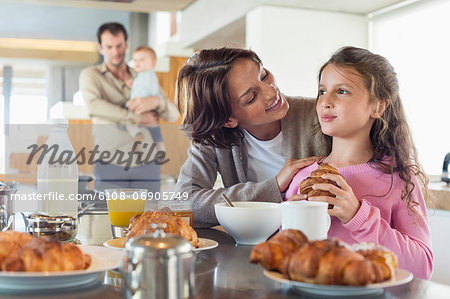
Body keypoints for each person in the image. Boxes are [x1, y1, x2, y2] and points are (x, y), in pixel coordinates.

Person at [285, 46, 433, 279]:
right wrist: (290, 224)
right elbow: (284, 263)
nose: (326, 101)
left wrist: (357, 215)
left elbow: (422, 268)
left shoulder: (398, 178)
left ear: (377, 106)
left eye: (342, 91)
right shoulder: (301, 177)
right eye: (322, 91)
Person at [174, 48, 330, 228]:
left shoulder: (320, 115)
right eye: (252, 97)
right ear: (229, 120)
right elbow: (184, 203)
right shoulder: (214, 138)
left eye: (263, 75)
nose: (271, 92)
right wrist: (274, 187)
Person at [79, 22, 179, 192]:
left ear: (126, 45)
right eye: (109, 46)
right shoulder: (91, 75)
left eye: (119, 46)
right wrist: (137, 117)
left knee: (150, 216)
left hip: (148, 163)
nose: (115, 52)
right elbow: (94, 106)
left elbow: (173, 115)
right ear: (100, 48)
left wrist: (156, 102)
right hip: (110, 162)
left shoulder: (143, 76)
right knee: (108, 217)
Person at [126, 46, 168, 146]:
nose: (137, 63)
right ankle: (143, 136)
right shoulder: (139, 75)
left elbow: (149, 91)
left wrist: (135, 102)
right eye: (135, 59)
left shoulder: (150, 75)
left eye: (142, 60)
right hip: (141, 106)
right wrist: (132, 83)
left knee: (149, 126)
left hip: (145, 106)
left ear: (153, 63)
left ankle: (156, 142)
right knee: (150, 127)